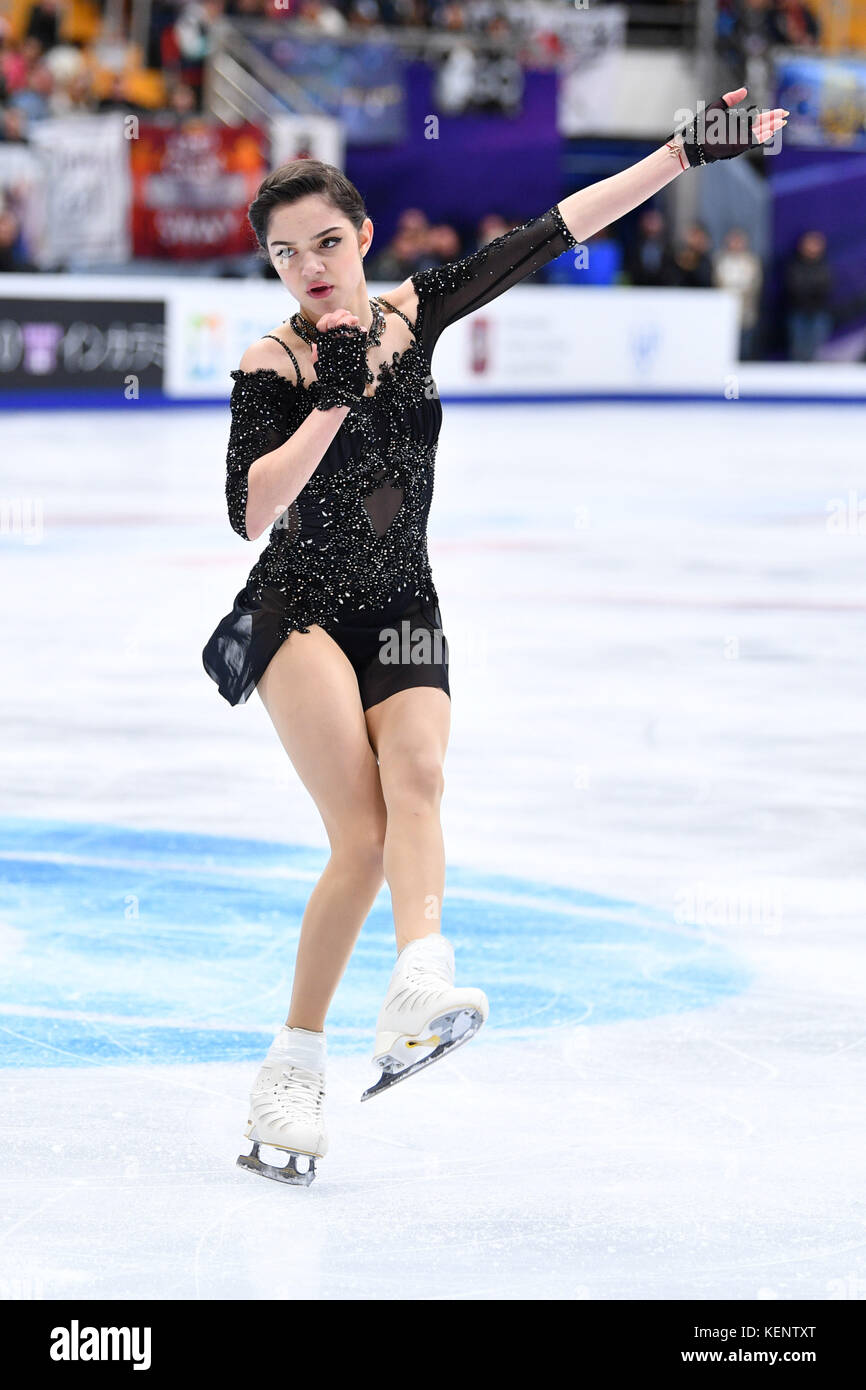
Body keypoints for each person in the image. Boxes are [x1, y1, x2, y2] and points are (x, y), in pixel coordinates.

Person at [202, 87, 787, 1185]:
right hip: (294, 611)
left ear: (364, 235)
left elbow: (555, 227)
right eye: (286, 254)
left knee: (417, 775)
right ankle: (292, 1062)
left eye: (327, 241)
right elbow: (248, 509)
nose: (310, 266)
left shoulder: (413, 313)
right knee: (361, 837)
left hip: (401, 598)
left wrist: (677, 151)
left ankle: (419, 975)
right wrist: (327, 399)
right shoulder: (271, 364)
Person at [713, 226, 763, 360]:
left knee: (744, 347)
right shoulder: (719, 260)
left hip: (745, 311)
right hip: (722, 310)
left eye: (739, 241)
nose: (735, 244)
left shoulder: (751, 262)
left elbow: (755, 285)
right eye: (733, 240)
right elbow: (716, 283)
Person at [785, 229, 833, 361]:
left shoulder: (824, 265)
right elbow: (794, 287)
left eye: (816, 244)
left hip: (818, 312)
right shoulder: (794, 264)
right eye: (809, 243)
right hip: (798, 312)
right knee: (798, 351)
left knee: (817, 352)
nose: (812, 248)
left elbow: (826, 287)